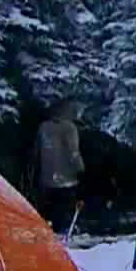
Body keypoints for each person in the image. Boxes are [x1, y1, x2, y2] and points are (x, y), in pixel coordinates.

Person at [34, 98, 85, 233]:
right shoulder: (69, 128)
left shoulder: (43, 128)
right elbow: (73, 153)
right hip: (66, 180)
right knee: (63, 212)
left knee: (50, 212)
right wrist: (82, 172)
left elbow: (36, 153)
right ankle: (65, 230)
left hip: (46, 179)